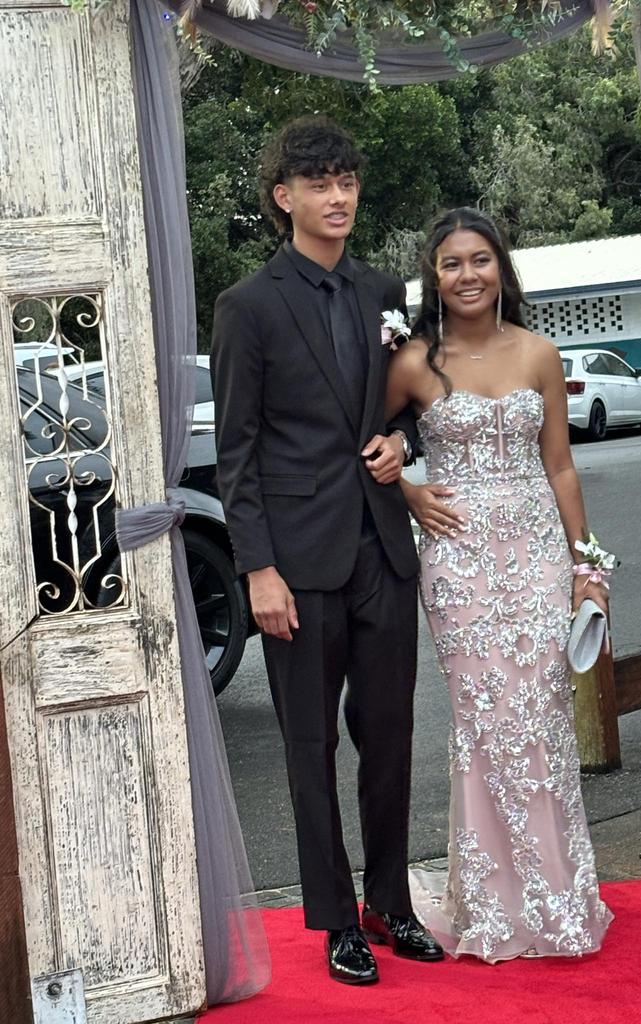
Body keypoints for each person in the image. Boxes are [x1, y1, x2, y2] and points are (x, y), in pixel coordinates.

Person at [210, 116, 444, 986]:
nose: (337, 196)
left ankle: (391, 902)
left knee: (389, 738)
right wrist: (257, 569)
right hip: (296, 569)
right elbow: (236, 451)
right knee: (310, 746)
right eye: (318, 183)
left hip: (384, 550)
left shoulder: (385, 292)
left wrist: (402, 440)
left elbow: (409, 399)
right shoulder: (246, 306)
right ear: (285, 197)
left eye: (346, 180)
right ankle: (336, 920)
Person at [385, 207, 614, 962]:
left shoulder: (540, 353)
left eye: (480, 259)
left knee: (542, 720)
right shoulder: (415, 361)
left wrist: (587, 569)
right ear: (434, 276)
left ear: (501, 268)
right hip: (457, 566)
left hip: (537, 559)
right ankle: (492, 902)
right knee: (487, 725)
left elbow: (561, 467)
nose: (468, 275)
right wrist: (409, 491)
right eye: (452, 263)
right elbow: (362, 442)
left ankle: (557, 895)